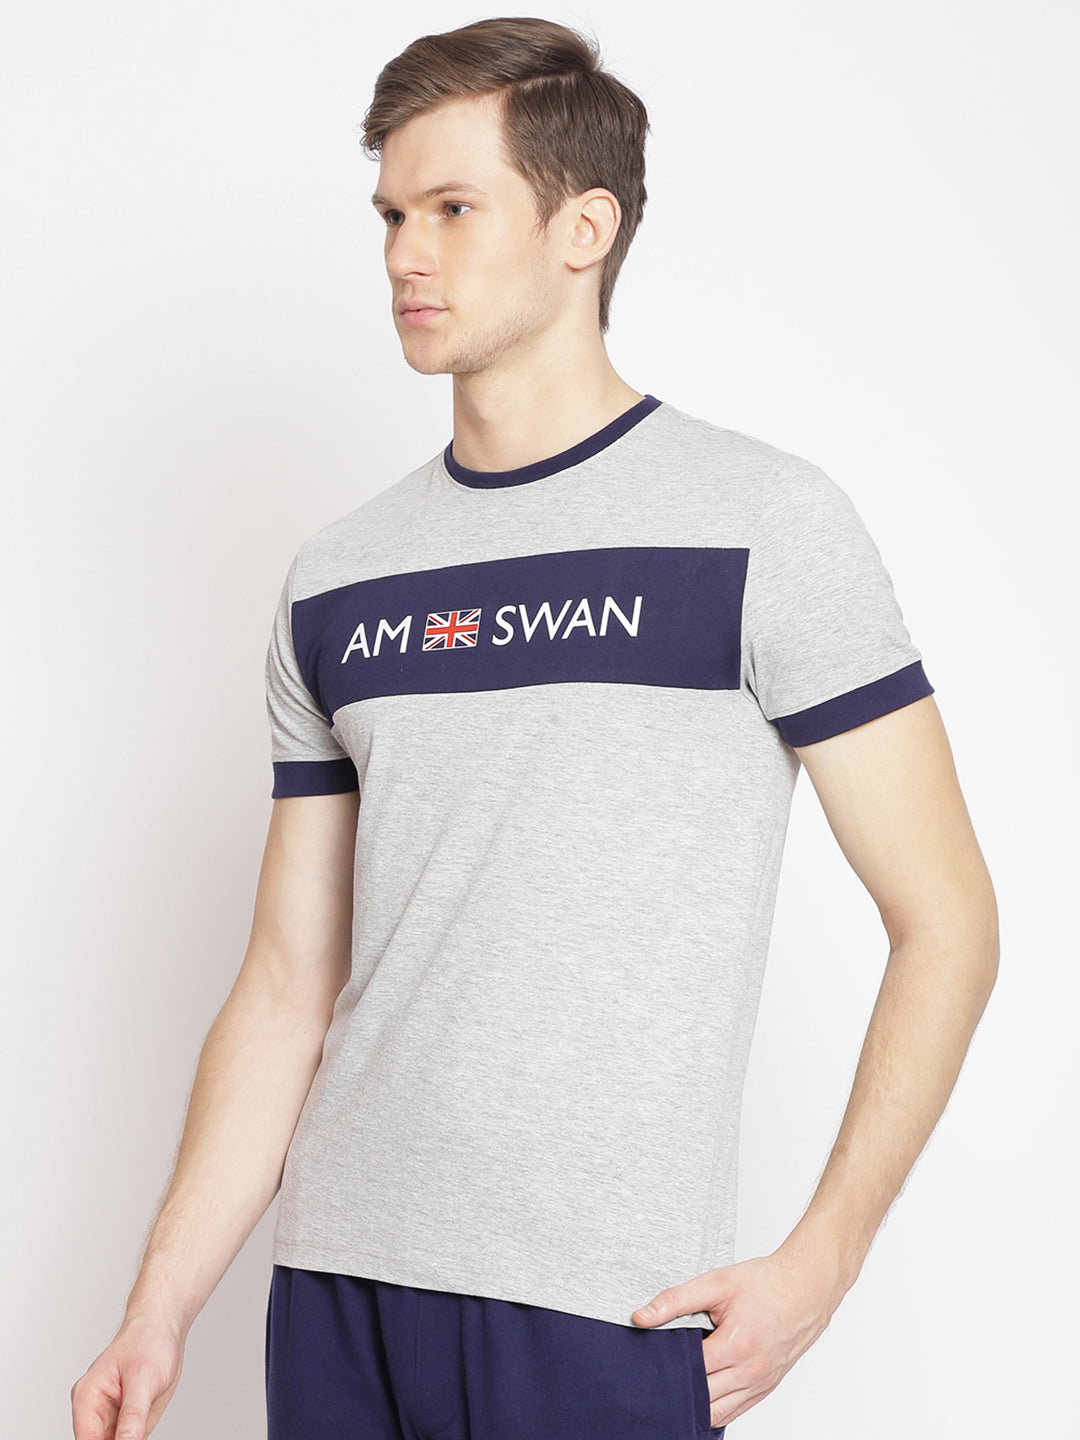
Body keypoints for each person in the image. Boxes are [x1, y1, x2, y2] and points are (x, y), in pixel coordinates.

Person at [71, 16, 999, 1440]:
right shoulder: (339, 578)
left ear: (584, 228)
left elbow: (949, 921)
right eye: (391, 214)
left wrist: (825, 1259)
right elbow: (284, 984)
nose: (405, 254)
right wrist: (159, 1306)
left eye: (452, 209)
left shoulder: (762, 526)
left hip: (602, 1309)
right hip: (337, 1291)